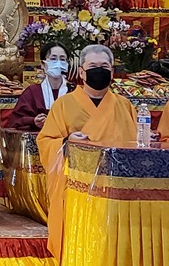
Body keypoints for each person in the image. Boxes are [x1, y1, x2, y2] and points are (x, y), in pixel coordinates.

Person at [37, 44, 137, 257]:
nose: (99, 71)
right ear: (82, 72)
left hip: (117, 191)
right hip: (77, 191)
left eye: (104, 66)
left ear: (112, 72)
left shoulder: (125, 106)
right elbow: (45, 142)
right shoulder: (63, 105)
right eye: (92, 66)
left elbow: (136, 144)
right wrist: (66, 142)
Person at [6, 43, 70, 132]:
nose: (58, 63)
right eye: (53, 59)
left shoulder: (73, 91)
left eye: (62, 59)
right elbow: (15, 121)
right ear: (42, 64)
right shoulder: (32, 92)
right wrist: (33, 121)